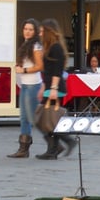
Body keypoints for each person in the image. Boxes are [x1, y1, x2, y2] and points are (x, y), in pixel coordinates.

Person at [34, 18, 76, 160]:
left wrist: (52, 88)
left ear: (48, 32)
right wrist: (44, 87)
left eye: (42, 31)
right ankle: (57, 146)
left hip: (55, 87)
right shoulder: (49, 47)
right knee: (46, 118)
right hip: (50, 86)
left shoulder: (56, 48)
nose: (39, 34)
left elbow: (57, 71)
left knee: (48, 118)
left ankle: (58, 145)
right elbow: (48, 71)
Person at [7, 18, 43, 159]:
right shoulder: (25, 45)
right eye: (25, 29)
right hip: (25, 84)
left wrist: (24, 70)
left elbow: (40, 66)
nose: (27, 32)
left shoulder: (36, 46)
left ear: (35, 32)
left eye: (30, 29)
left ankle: (54, 141)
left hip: (33, 84)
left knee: (33, 117)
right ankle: (23, 148)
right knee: (24, 117)